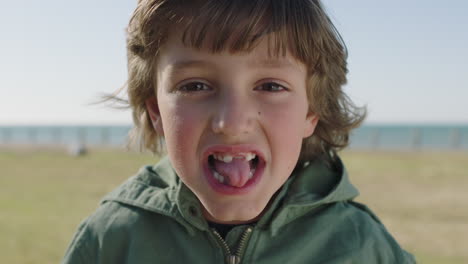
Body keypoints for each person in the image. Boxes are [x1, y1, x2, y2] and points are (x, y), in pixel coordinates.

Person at [62, 0, 416, 263]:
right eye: (195, 86)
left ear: (312, 112)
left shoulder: (361, 246)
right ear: (156, 112)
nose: (231, 123)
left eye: (271, 86)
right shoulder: (111, 240)